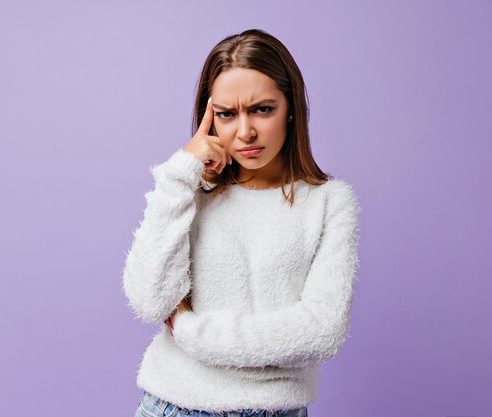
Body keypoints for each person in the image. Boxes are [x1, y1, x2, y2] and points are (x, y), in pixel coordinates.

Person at [122, 28, 362, 417]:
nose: (245, 131)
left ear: (291, 108)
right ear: (209, 117)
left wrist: (191, 333)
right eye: (227, 114)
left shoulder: (330, 203)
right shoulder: (190, 192)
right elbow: (150, 301)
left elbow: (321, 330)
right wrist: (180, 173)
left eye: (262, 109)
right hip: (173, 408)